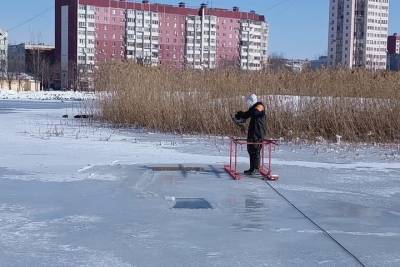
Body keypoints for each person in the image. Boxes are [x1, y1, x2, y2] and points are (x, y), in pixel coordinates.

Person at [235, 94, 267, 175]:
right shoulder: (252, 108)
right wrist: (242, 115)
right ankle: (252, 168)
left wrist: (246, 114)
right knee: (250, 149)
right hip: (252, 132)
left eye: (248, 101)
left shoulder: (260, 105)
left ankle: (256, 169)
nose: (247, 103)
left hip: (258, 132)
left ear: (252, 100)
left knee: (256, 150)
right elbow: (249, 114)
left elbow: (254, 112)